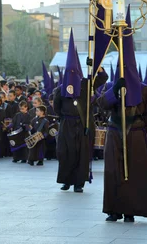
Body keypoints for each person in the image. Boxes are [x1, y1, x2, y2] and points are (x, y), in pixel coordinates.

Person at [96, 10, 147, 223]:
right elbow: (101, 104)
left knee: (135, 172)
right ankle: (114, 209)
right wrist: (114, 91)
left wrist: (138, 128)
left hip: (135, 134)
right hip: (114, 131)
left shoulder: (144, 90)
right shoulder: (110, 86)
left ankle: (131, 209)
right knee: (113, 171)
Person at [55, 31, 95, 193]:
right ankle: (66, 181)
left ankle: (79, 183)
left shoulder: (85, 86)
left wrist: (93, 66)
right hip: (66, 125)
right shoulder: (60, 90)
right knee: (65, 153)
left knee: (80, 155)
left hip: (80, 126)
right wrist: (64, 119)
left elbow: (101, 79)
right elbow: (56, 107)